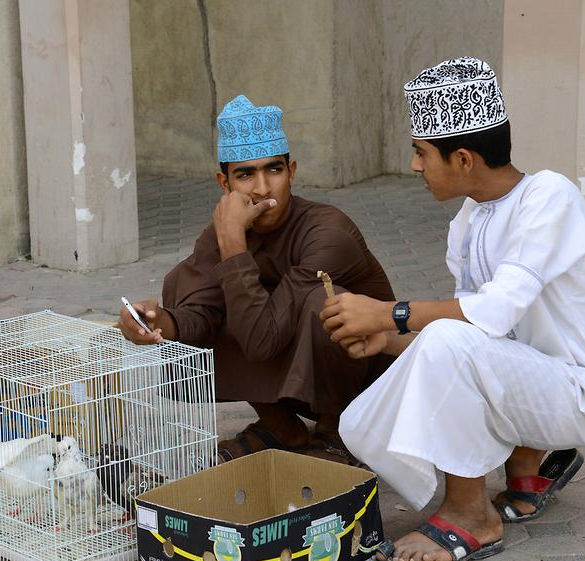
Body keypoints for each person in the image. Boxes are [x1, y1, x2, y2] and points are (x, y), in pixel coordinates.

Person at [321, 57, 585, 561]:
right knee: (442, 340)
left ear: (462, 158)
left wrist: (389, 314)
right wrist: (385, 341)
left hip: (578, 394)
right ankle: (526, 467)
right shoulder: (469, 220)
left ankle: (471, 513)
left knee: (444, 340)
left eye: (420, 153)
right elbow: (476, 336)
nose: (414, 166)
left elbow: (486, 318)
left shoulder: (550, 196)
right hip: (529, 382)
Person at [119, 95, 394, 463]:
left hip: (365, 386)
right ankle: (280, 425)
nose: (263, 189)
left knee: (321, 304)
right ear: (224, 182)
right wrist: (155, 323)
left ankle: (336, 432)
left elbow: (261, 340)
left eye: (274, 171)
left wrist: (233, 244)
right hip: (294, 370)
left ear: (292, 172)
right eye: (245, 175)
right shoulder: (220, 235)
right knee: (190, 284)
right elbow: (199, 315)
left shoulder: (329, 232)